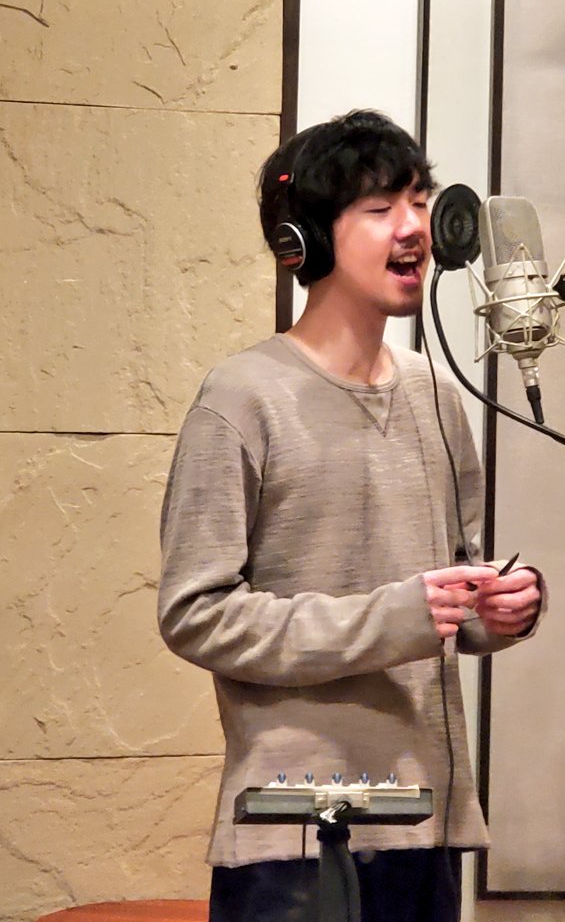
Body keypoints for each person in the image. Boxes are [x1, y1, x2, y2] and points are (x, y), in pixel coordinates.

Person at [157, 109, 545, 922]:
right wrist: (392, 618)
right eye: (380, 208)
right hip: (293, 833)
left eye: (420, 201)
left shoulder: (436, 395)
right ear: (305, 242)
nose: (414, 228)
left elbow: (453, 595)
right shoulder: (241, 398)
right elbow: (195, 613)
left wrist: (499, 607)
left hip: (427, 820)